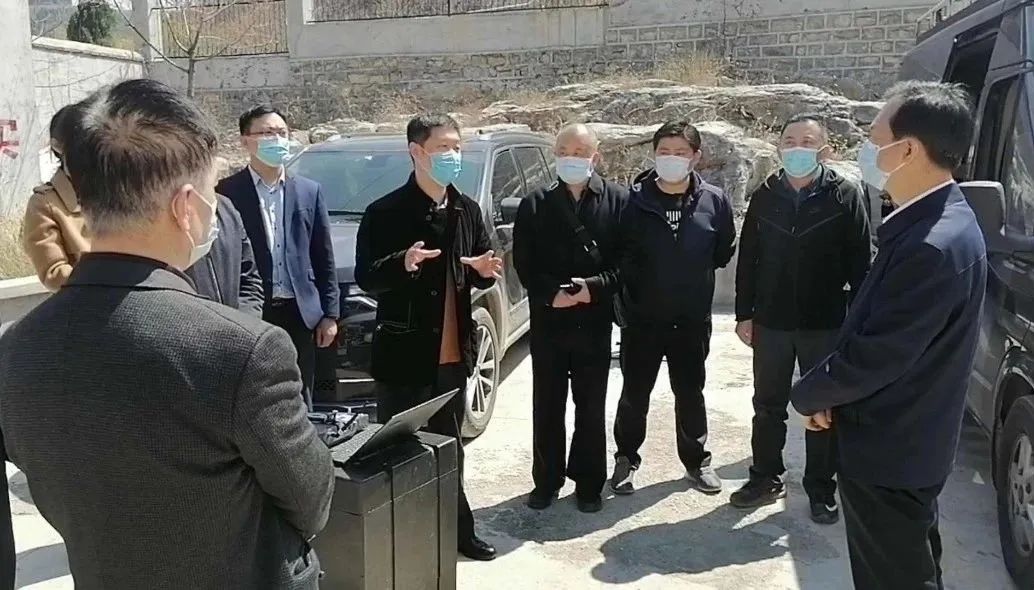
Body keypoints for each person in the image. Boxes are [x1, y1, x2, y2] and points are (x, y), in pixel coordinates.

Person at [0, 79, 335, 589]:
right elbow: (311, 501)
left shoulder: (17, 348)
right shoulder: (244, 351)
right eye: (211, 192)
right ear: (185, 207)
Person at [791, 81, 986, 589]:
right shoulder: (940, 219)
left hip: (890, 452)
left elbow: (879, 353)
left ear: (908, 150)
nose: (867, 151)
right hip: (911, 441)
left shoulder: (931, 244)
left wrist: (811, 393)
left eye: (874, 139)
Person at [355, 113, 503, 561]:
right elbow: (367, 277)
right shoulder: (385, 212)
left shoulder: (466, 209)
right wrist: (403, 262)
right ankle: (401, 543)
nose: (453, 155)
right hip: (404, 354)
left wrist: (483, 271)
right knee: (397, 454)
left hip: (453, 357)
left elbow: (478, 269)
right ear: (416, 152)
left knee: (450, 450)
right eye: (443, 148)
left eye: (457, 147)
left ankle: (459, 532)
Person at [730, 114, 872, 524]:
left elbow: (860, 263)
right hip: (771, 321)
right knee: (767, 404)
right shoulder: (766, 194)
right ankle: (765, 477)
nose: (797, 148)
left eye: (807, 141)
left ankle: (820, 487)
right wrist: (744, 313)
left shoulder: (844, 195)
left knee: (822, 407)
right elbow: (748, 259)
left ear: (824, 150)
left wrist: (857, 322)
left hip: (824, 323)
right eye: (789, 140)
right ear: (779, 147)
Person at [609, 121, 736, 496]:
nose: (671, 159)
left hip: (691, 320)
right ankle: (625, 459)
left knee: (691, 392)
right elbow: (619, 254)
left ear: (696, 157)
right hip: (642, 319)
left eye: (680, 152)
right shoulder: (631, 202)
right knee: (635, 393)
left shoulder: (714, 201)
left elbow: (722, 250)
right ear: (653, 154)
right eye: (664, 152)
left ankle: (697, 461)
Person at [513, 123, 628, 513]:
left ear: (595, 156)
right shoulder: (535, 203)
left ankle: (589, 482)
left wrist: (593, 287)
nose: (571, 159)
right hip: (549, 322)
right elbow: (524, 262)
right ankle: (546, 480)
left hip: (594, 322)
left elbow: (627, 262)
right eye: (564, 151)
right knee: (547, 404)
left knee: (591, 406)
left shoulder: (617, 201)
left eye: (580, 152)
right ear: (554, 155)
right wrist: (552, 295)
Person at [219, 105, 340, 409]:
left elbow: (323, 255)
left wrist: (330, 314)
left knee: (302, 392)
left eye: (281, 132)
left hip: (301, 311)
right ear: (245, 141)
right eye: (266, 133)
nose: (276, 139)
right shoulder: (227, 192)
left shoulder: (308, 191)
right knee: (255, 391)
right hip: (252, 311)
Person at [21, 103, 91, 291]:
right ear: (58, 146)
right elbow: (54, 272)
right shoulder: (45, 203)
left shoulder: (118, 191)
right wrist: (102, 278)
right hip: (85, 301)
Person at [184, 194, 265, 316]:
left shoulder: (227, 208)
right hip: (191, 325)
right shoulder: (165, 217)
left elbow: (249, 278)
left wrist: (243, 321)